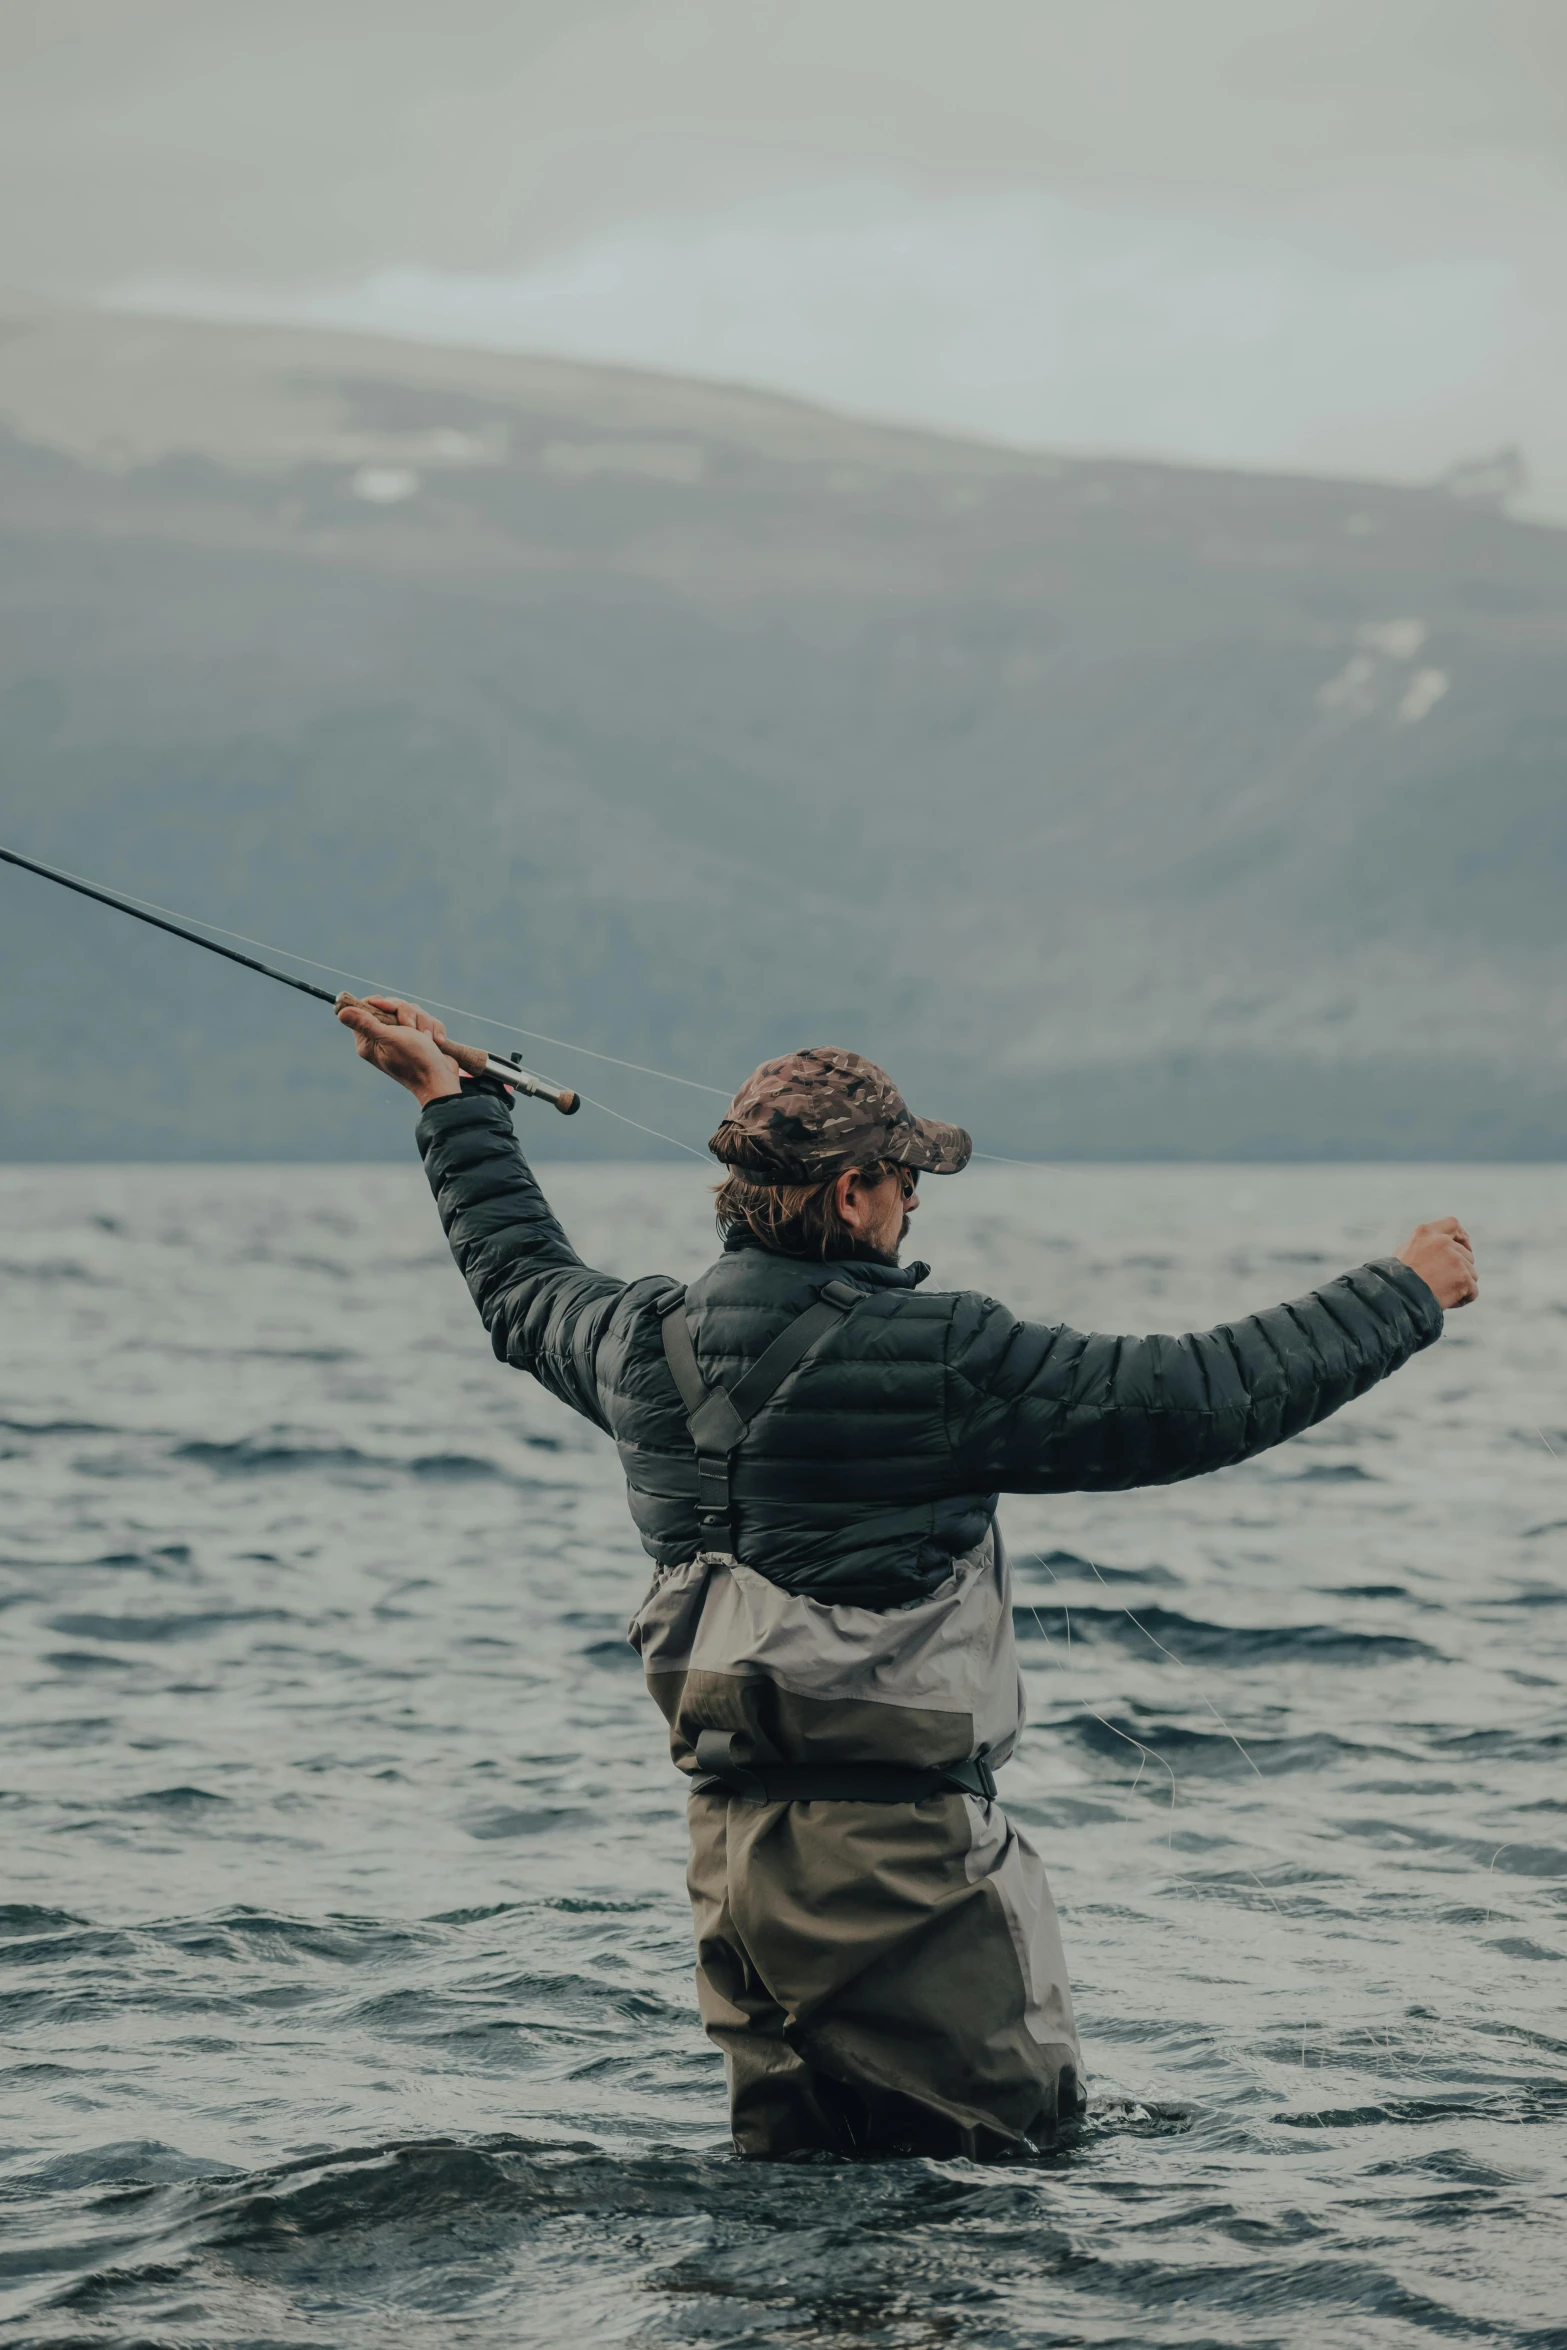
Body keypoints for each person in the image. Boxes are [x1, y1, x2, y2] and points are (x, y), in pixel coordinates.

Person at [337, 993, 1478, 2161]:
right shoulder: (941, 1353)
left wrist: (453, 1105)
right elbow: (1191, 1397)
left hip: (732, 1870)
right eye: (903, 1178)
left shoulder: (640, 1344)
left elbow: (519, 1285)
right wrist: (1400, 1293)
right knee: (989, 2195)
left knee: (793, 2221)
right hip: (906, 1879)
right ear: (850, 1193)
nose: (914, 1199)